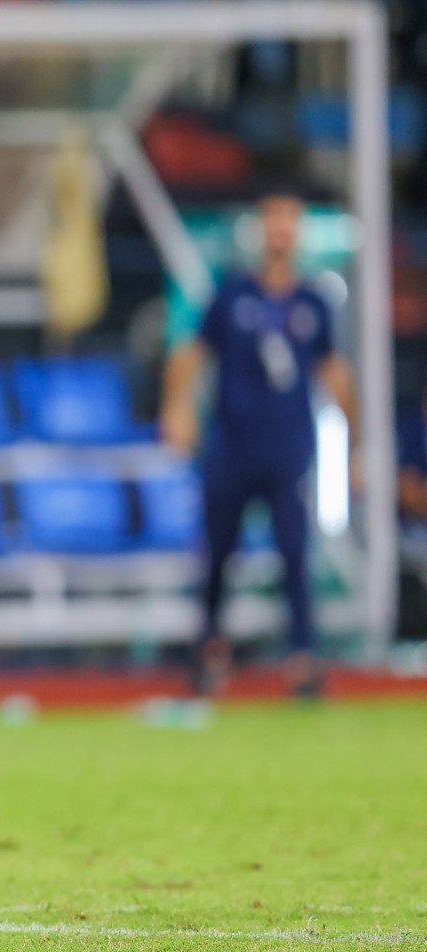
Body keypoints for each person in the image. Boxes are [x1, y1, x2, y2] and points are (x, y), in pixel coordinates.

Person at [160, 191, 357, 698]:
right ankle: (208, 651)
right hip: (232, 445)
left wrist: (355, 444)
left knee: (295, 554)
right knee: (218, 553)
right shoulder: (231, 294)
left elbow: (334, 371)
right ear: (260, 227)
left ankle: (304, 659)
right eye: (273, 217)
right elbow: (191, 352)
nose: (280, 229)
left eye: (290, 218)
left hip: (288, 448)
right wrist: (177, 408)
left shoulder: (312, 301)